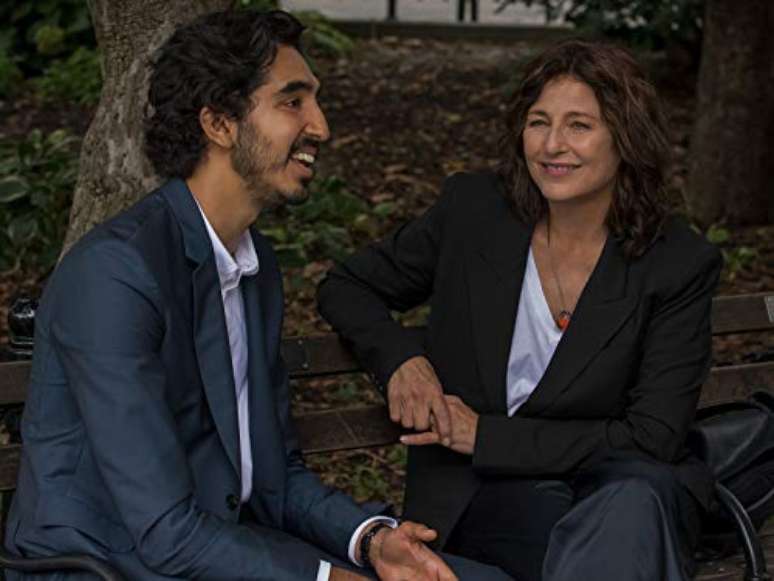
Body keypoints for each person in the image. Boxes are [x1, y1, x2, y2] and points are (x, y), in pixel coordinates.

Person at [4, 10, 511, 581]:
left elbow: (271, 479)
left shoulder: (253, 263)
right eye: (293, 102)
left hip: (222, 548)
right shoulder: (115, 275)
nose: (320, 126)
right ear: (219, 123)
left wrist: (372, 543)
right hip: (104, 568)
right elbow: (165, 532)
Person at [317, 39, 722, 581]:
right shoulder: (474, 213)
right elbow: (346, 287)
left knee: (628, 502)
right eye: (538, 122)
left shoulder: (677, 262)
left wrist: (483, 435)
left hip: (616, 488)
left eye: (580, 125)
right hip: (483, 497)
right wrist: (400, 361)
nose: (553, 145)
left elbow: (653, 437)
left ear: (626, 139)